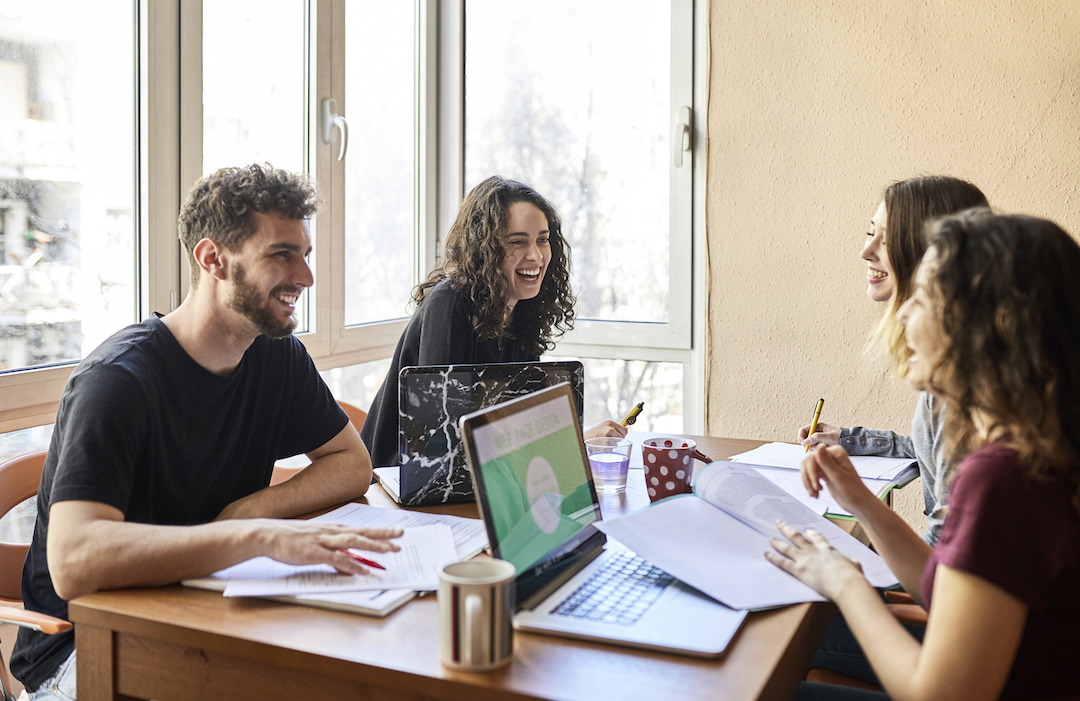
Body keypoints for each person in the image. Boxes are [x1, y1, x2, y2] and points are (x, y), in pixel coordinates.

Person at [11, 164, 403, 699]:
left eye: (305, 254)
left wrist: (250, 511)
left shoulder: (274, 354)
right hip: (85, 646)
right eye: (281, 254)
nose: (306, 277)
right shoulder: (117, 383)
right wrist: (249, 537)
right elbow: (74, 562)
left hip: (203, 609)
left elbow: (350, 463)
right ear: (212, 258)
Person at [771, 210, 1080, 700]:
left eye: (923, 297)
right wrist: (860, 501)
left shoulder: (1005, 477)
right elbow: (947, 590)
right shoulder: (1037, 452)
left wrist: (843, 582)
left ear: (990, 325)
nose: (903, 314)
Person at [361, 175, 625, 467]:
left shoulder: (522, 309)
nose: (536, 255)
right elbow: (438, 439)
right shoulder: (448, 305)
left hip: (471, 475)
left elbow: (521, 426)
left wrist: (581, 440)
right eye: (517, 242)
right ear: (484, 247)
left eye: (543, 240)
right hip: (397, 481)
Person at [799, 176, 988, 545]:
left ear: (933, 253)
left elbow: (945, 556)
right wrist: (852, 440)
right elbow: (936, 454)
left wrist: (846, 580)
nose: (866, 251)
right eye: (870, 233)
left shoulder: (959, 383)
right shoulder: (958, 363)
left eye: (885, 240)